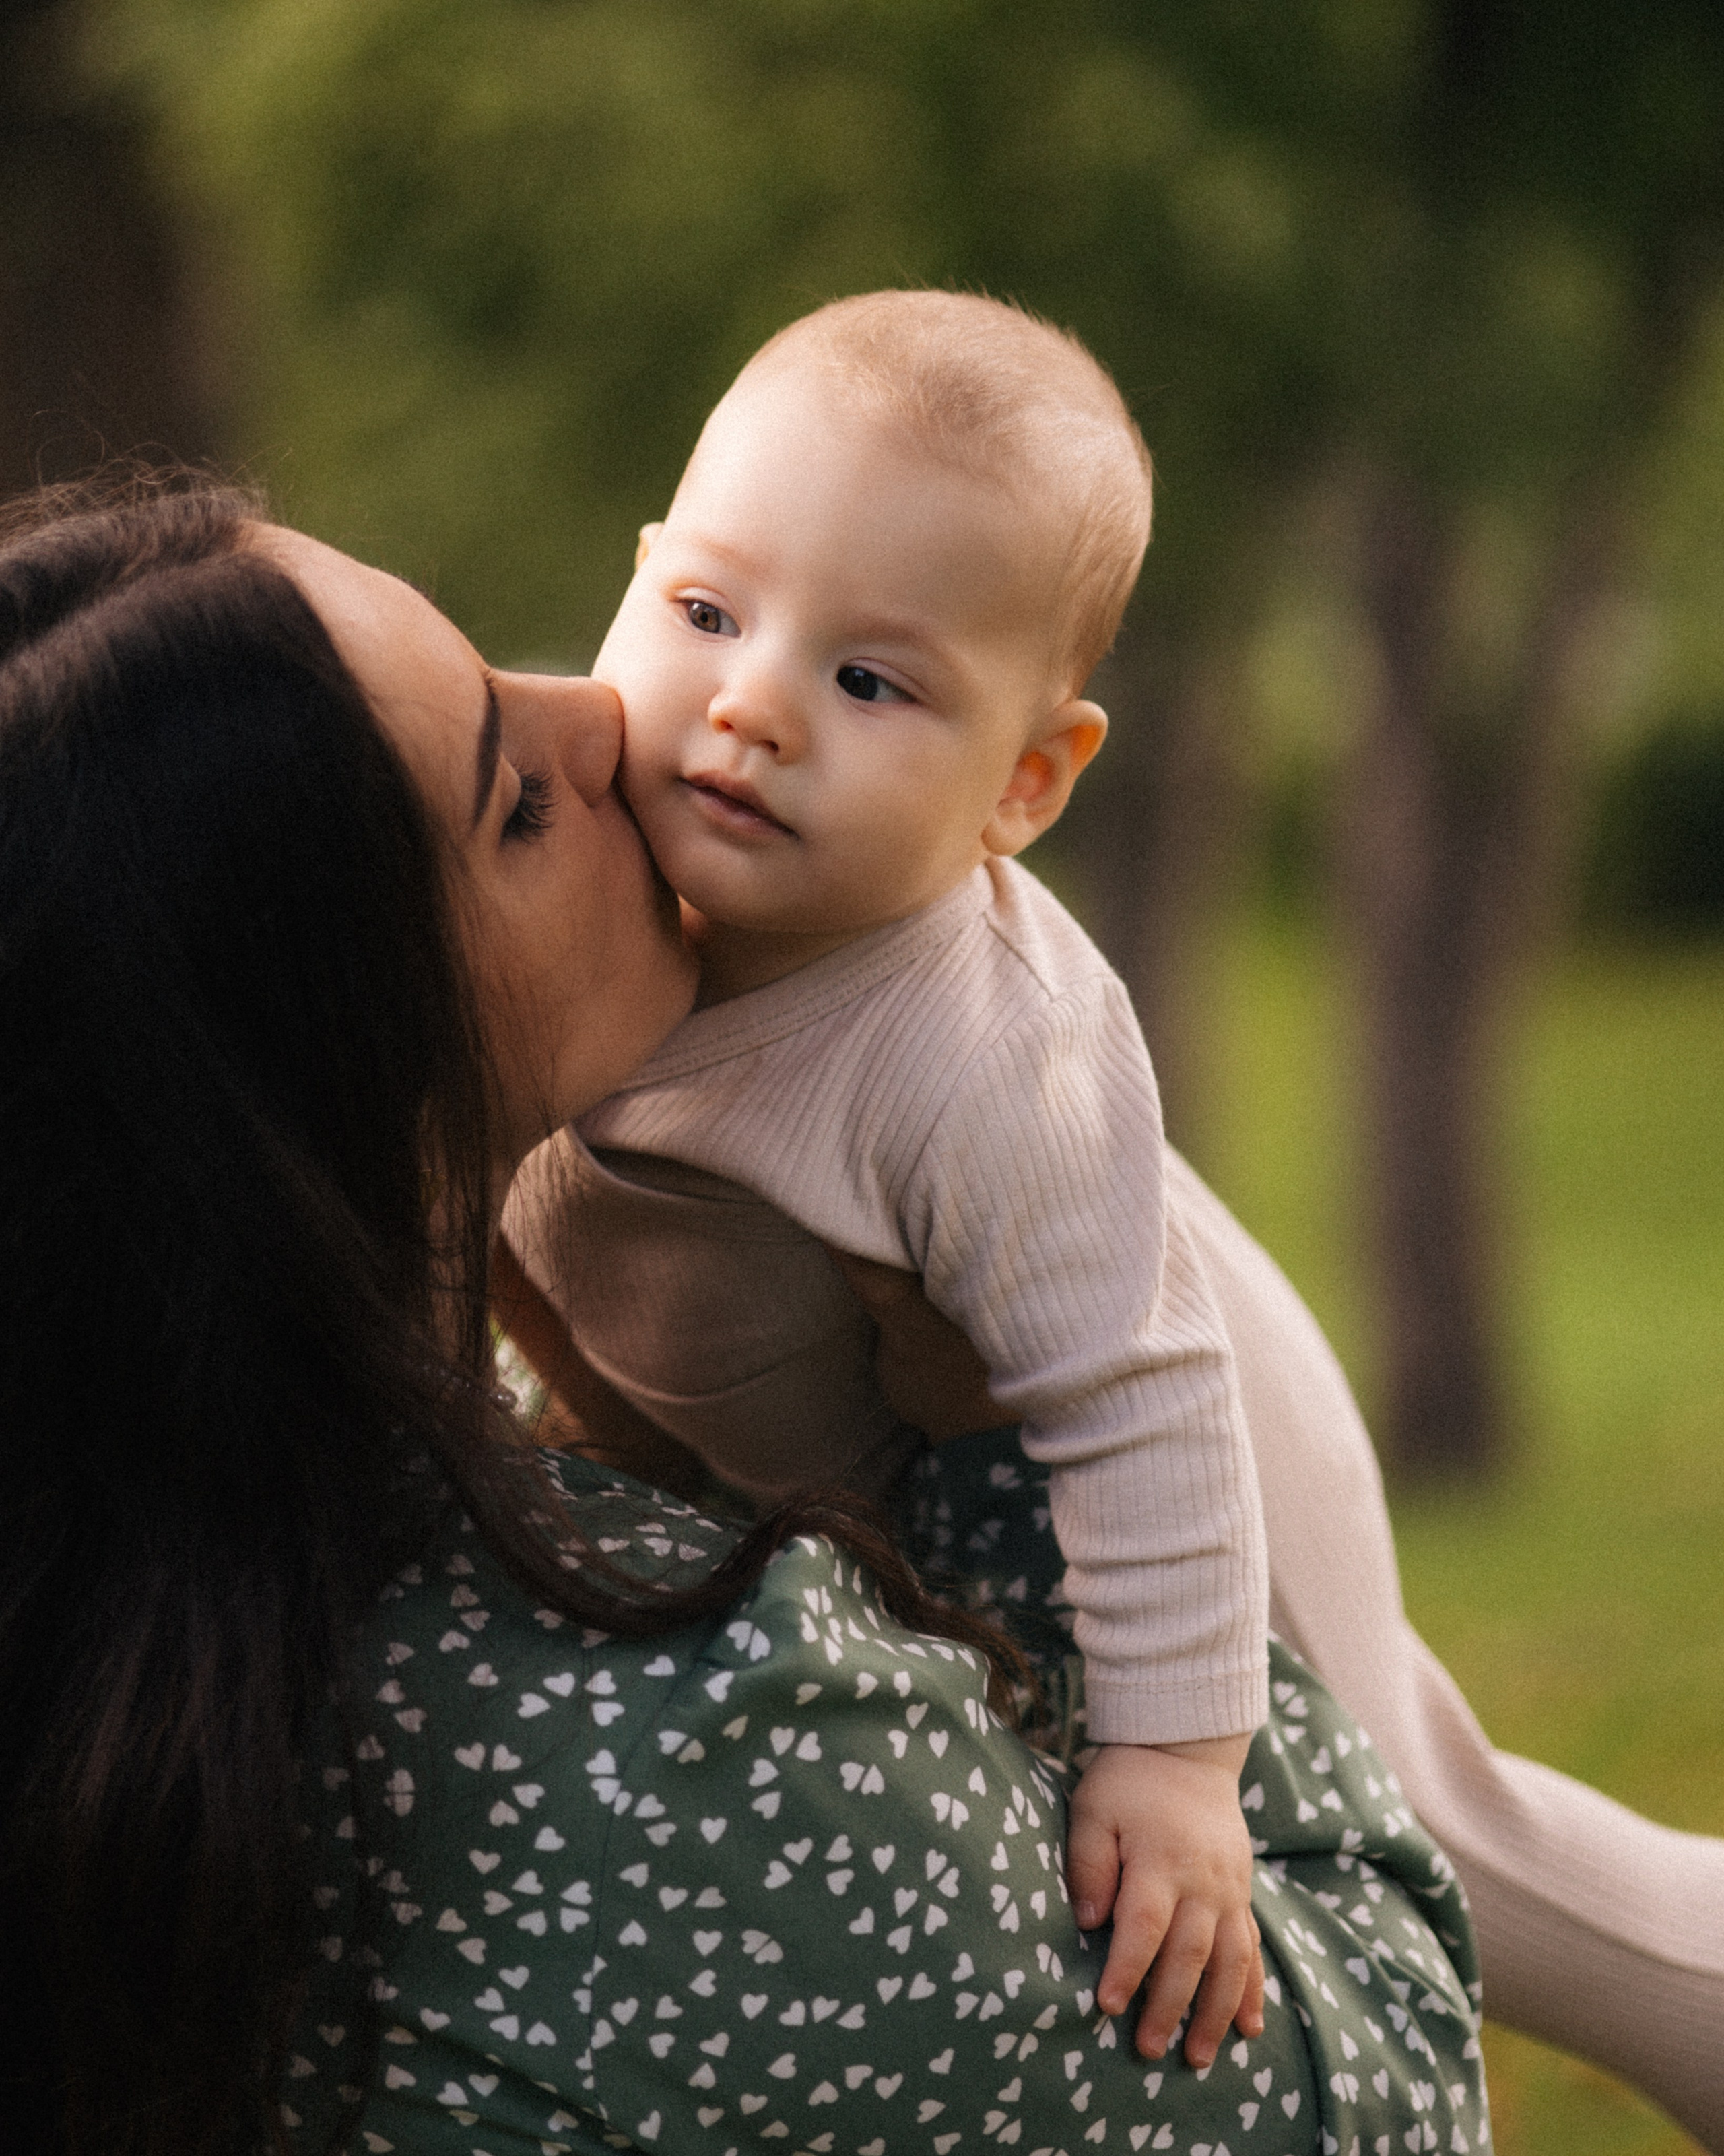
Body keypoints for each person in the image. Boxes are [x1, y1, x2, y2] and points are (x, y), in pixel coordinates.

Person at [0, 478, 1488, 2156]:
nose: (609, 714)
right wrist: (988, 1434)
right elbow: (1388, 2095)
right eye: (512, 804)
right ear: (323, 1079)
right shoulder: (687, 1756)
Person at [504, 291, 1270, 2061]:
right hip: (811, 1465)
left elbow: (1145, 1400)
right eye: (705, 611)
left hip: (1156, 1436)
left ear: (1023, 782)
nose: (751, 704)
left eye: (869, 679)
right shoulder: (573, 830)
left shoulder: (978, 1056)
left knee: (1412, 1811)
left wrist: (1177, 1758)